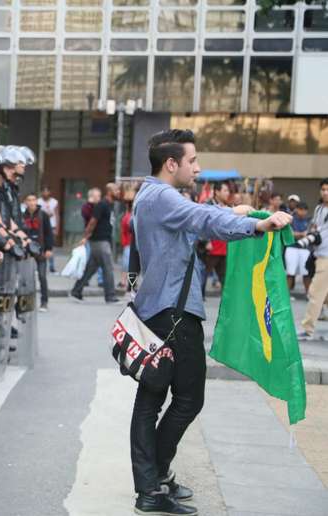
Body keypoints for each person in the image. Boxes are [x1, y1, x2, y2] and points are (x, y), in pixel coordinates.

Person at [130, 129, 291, 515]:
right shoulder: (162, 196)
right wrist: (257, 224)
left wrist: (231, 213)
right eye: (193, 160)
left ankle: (154, 482)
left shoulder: (152, 194)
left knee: (153, 399)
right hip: (173, 311)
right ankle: (151, 485)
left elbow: (196, 218)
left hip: (162, 306)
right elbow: (200, 218)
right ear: (172, 164)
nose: (197, 168)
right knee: (185, 399)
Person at [71, 183, 120, 303]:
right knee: (108, 268)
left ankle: (76, 291)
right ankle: (110, 296)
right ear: (109, 192)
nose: (119, 192)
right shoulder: (102, 205)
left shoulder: (110, 205)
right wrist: (86, 236)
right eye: (116, 190)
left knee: (91, 268)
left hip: (102, 240)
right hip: (99, 241)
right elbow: (93, 221)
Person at [299, 179, 328, 340]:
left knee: (315, 293)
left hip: (326, 258)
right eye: (323, 189)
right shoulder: (318, 209)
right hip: (319, 255)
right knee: (324, 296)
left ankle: (307, 329)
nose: (325, 192)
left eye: (327, 189)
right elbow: (315, 228)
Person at [23, 193, 53, 311]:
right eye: (29, 200)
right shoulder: (22, 216)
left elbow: (48, 232)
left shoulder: (43, 215)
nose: (31, 203)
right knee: (25, 277)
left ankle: (44, 301)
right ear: (25, 202)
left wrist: (49, 249)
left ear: (37, 201)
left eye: (33, 200)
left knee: (42, 276)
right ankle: (25, 302)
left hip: (41, 249)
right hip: (27, 250)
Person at [202, 182, 231, 297]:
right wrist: (206, 241)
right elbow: (202, 224)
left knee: (224, 276)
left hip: (224, 246)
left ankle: (227, 299)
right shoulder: (207, 205)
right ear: (217, 192)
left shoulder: (228, 206)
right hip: (211, 247)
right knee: (203, 274)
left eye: (228, 191)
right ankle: (199, 297)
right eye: (225, 190)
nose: (227, 193)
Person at [285, 201, 312, 294]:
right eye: (300, 209)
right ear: (297, 210)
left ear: (307, 211)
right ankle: (286, 296)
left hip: (305, 249)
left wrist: (299, 235)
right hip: (292, 248)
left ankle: (309, 295)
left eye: (304, 210)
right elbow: (291, 234)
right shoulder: (291, 219)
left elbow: (310, 234)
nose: (302, 212)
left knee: (306, 273)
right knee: (290, 273)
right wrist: (302, 234)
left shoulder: (310, 220)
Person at [38, 186, 59, 273]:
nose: (45, 193)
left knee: (50, 246)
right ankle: (40, 264)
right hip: (41, 226)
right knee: (40, 245)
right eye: (44, 191)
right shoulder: (38, 201)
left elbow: (57, 215)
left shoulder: (54, 202)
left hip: (52, 225)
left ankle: (51, 265)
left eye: (47, 191)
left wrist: (57, 228)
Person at [119, 201, 133, 290]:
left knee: (127, 264)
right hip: (129, 243)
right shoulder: (128, 217)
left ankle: (125, 282)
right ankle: (125, 282)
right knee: (127, 264)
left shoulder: (127, 217)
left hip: (128, 243)